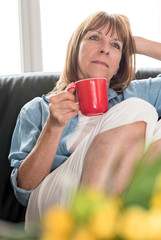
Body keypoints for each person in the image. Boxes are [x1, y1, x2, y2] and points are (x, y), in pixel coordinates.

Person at [9, 11, 161, 232]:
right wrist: (53, 127)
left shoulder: (132, 93)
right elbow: (25, 191)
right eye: (95, 37)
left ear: (119, 63)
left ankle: (105, 227)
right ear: (75, 49)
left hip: (117, 193)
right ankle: (95, 224)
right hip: (55, 207)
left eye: (116, 45)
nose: (105, 48)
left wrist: (138, 44)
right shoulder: (38, 109)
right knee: (140, 109)